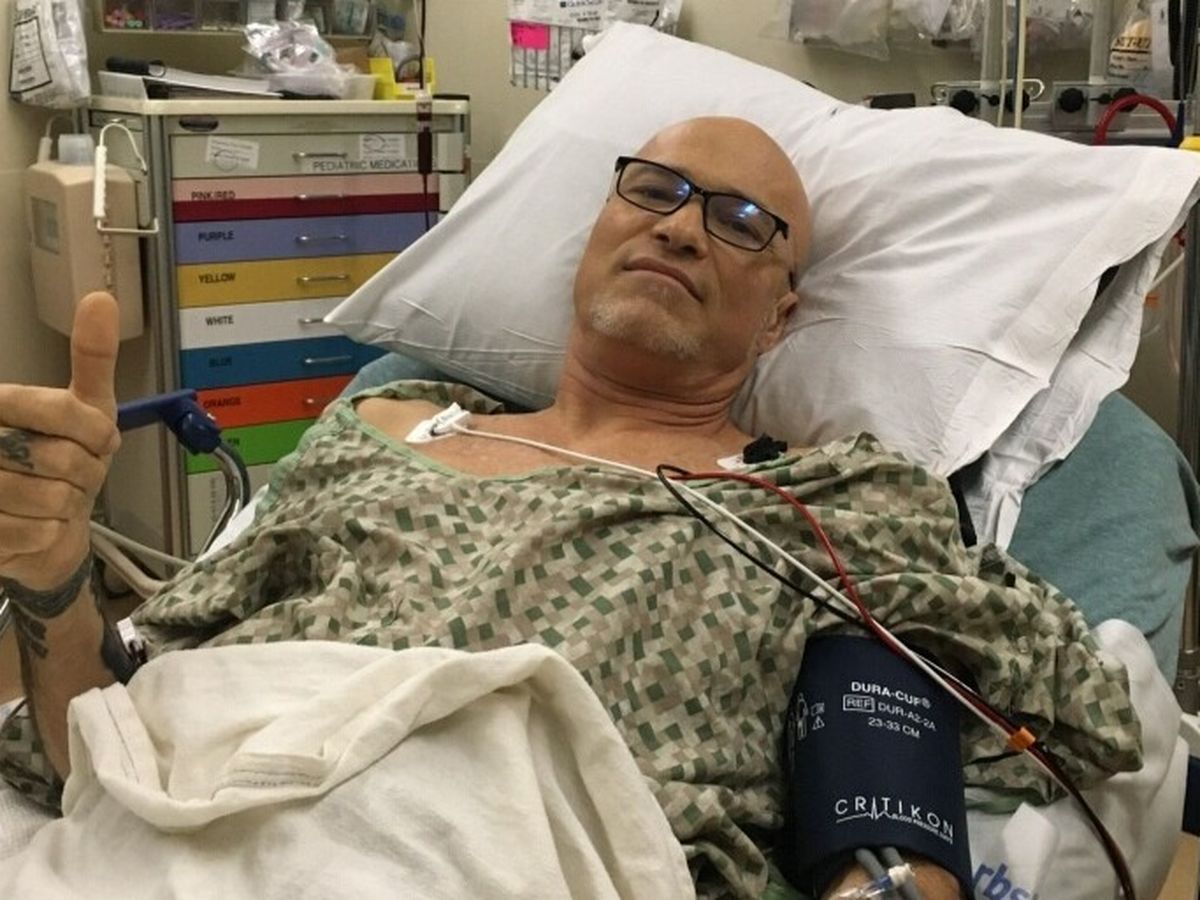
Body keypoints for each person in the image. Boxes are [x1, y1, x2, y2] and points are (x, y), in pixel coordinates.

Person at [0, 118, 1140, 900]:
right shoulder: (378, 426)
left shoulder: (831, 502)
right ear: (593, 238)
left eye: (742, 221)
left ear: (782, 317)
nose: (681, 227)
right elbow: (96, 744)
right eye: (655, 190)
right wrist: (52, 574)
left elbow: (1082, 710)